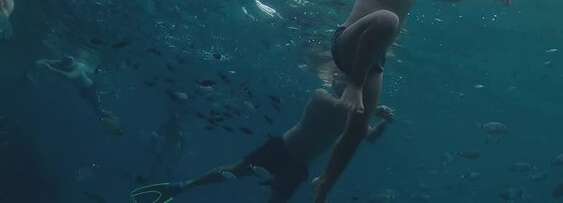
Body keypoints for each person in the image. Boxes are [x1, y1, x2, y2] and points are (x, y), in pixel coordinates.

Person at [284, 0, 511, 202]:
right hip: (346, 45)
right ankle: (353, 85)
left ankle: (325, 182)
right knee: (388, 20)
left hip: (373, 63)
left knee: (357, 131)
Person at [130, 82, 395, 203]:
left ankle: (182, 187)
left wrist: (383, 122)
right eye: (339, 78)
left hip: (298, 163)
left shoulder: (354, 113)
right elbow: (338, 109)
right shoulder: (321, 95)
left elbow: (369, 137)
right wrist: (369, 111)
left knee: (272, 197)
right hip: (282, 148)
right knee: (235, 171)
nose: (339, 81)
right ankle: (181, 187)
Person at [36, 56, 123, 135]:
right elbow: (55, 62)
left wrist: (50, 68)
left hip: (89, 88)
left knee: (97, 108)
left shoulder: (79, 66)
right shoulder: (65, 64)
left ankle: (113, 117)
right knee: (96, 101)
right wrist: (45, 61)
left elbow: (71, 76)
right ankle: (111, 95)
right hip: (84, 90)